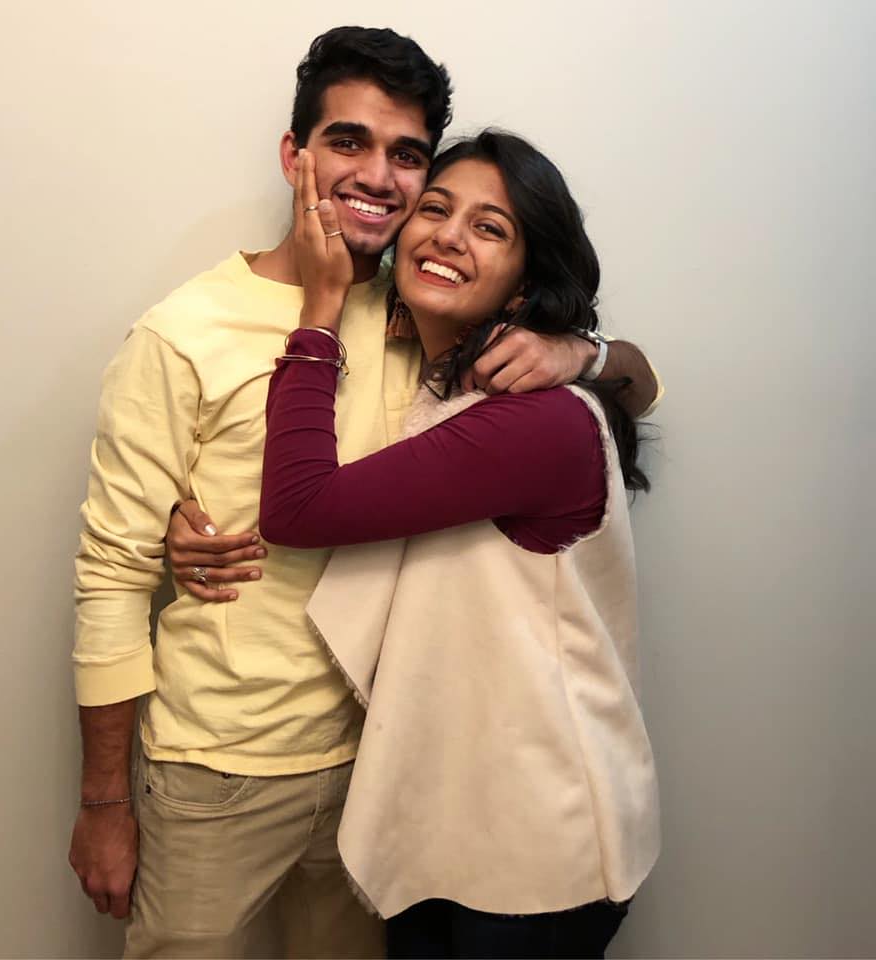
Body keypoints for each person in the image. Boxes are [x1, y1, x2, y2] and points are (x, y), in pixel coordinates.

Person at [71, 26, 661, 959]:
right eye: (348, 141)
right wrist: (105, 802)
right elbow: (111, 577)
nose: (379, 177)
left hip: (382, 775)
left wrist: (581, 349)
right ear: (294, 155)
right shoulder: (184, 333)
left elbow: (636, 382)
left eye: (407, 155)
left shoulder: (430, 307)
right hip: (218, 768)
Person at [251, 130, 661, 959]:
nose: (447, 236)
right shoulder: (451, 388)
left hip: (534, 846)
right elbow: (642, 382)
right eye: (435, 210)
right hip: (457, 821)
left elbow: (297, 506)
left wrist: (321, 310)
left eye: (490, 227)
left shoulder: (534, 421)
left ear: (525, 284)